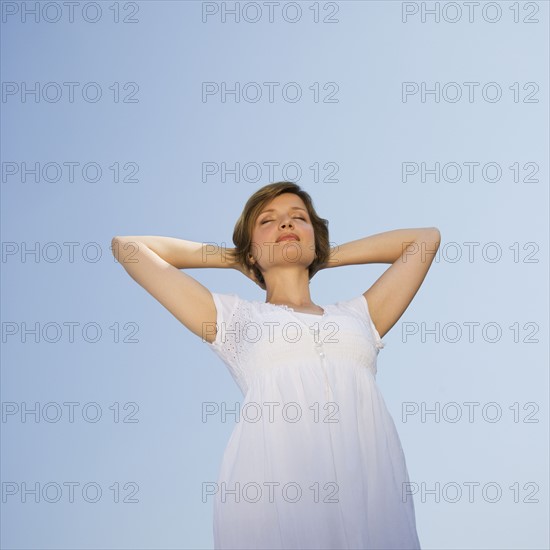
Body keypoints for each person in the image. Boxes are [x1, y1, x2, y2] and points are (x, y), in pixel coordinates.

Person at [111, 181, 441, 549]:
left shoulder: (361, 317)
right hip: (276, 504)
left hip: (370, 502)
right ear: (250, 250)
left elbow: (425, 240)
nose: (286, 225)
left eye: (298, 218)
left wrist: (321, 254)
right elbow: (128, 248)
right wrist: (236, 258)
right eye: (268, 221)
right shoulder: (234, 319)